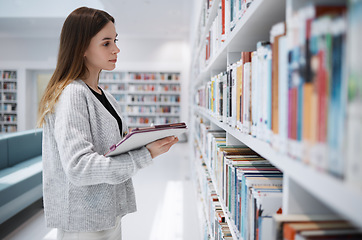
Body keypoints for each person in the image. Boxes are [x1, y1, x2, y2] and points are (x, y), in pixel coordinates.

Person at [37, 6, 178, 240]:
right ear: (81, 47)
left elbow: (107, 149)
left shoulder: (105, 95)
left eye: (115, 40)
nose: (116, 49)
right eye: (106, 43)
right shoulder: (72, 94)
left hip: (106, 215)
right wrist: (146, 154)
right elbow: (80, 167)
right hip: (84, 223)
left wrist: (139, 141)